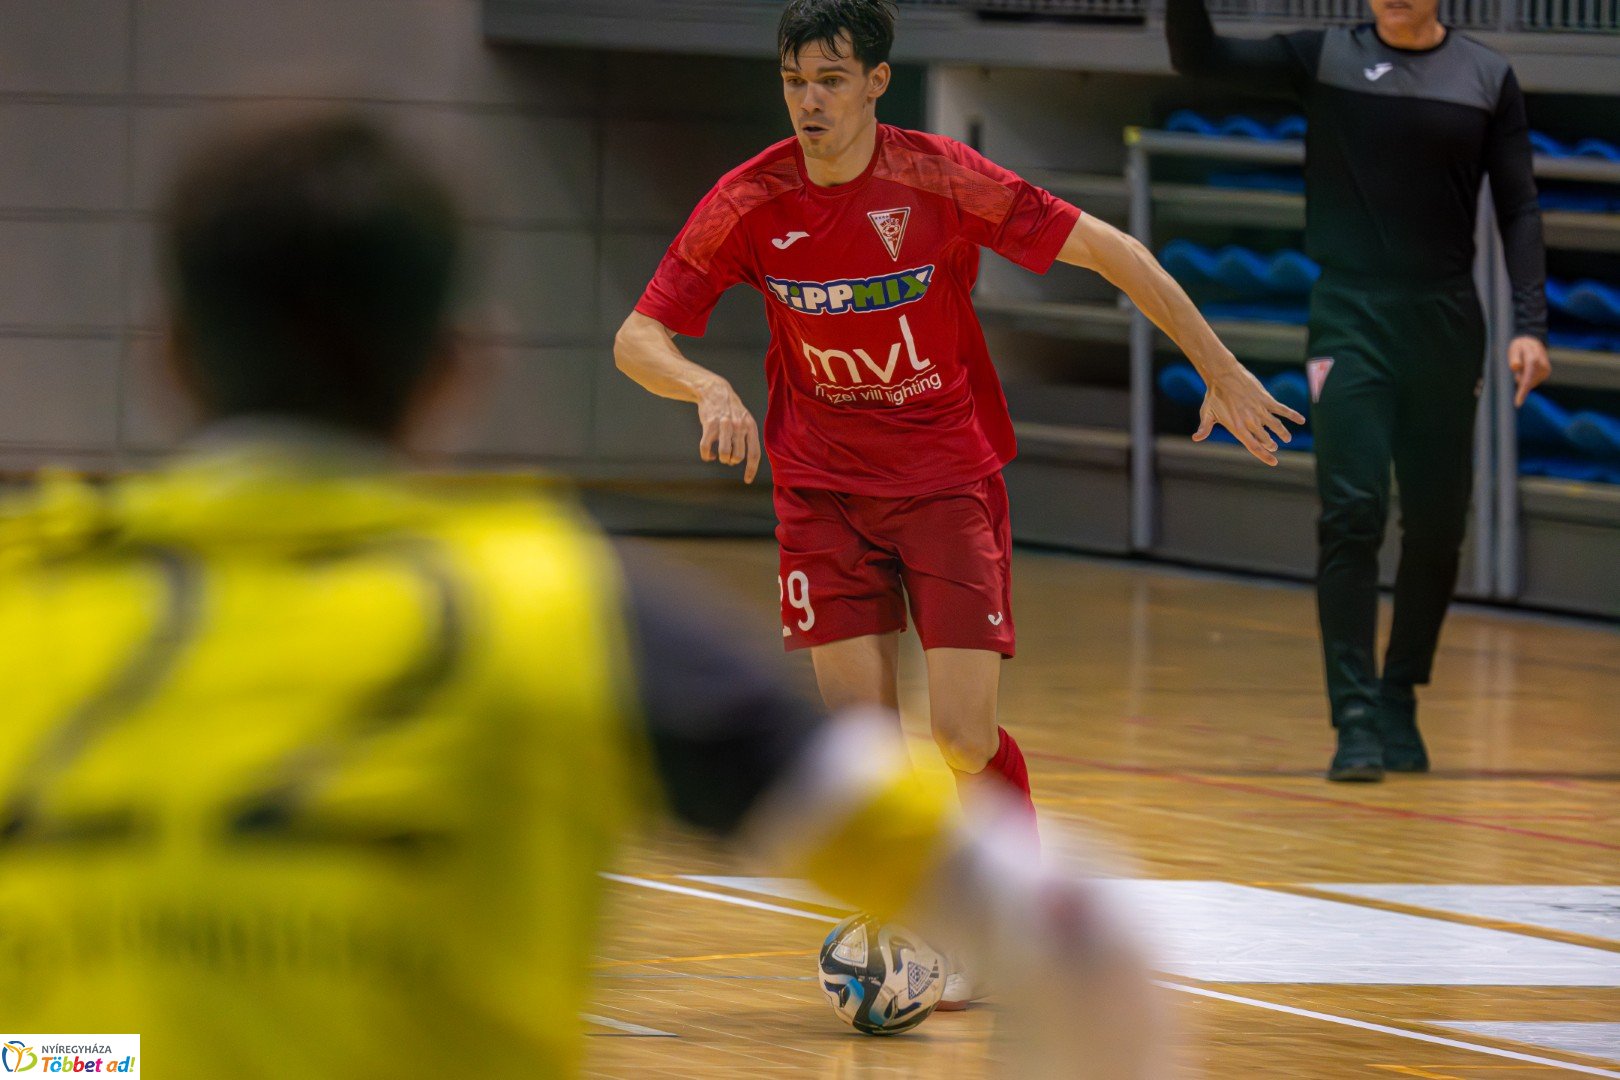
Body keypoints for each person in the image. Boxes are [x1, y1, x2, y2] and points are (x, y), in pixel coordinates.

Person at [0, 112, 1170, 1080]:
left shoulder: (26, 605)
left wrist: (83, 1060)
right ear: (458, 373)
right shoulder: (560, 606)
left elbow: (38, 1052)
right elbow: (1082, 939)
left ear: (167, 359)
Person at [615, 0, 1300, 1004]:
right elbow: (639, 336)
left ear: (878, 81)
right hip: (822, 494)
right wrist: (706, 386)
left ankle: (1019, 923)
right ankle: (909, 928)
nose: (810, 102)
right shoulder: (749, 199)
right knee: (857, 757)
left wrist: (1222, 367)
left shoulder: (938, 176)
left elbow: (1112, 249)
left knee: (964, 738)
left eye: (832, 80)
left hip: (945, 483)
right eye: (795, 81)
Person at [1166, 0, 1552, 782]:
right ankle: (1354, 717)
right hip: (1349, 318)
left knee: (1438, 527)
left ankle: (1400, 692)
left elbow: (1518, 206)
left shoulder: (1486, 76)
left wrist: (1530, 322)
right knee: (1352, 512)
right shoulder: (1322, 58)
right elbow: (1199, 57)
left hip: (1445, 323)